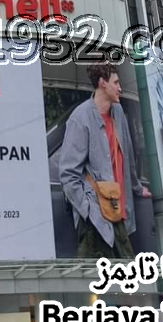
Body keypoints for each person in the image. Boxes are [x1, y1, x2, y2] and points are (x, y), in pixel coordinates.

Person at [59, 61, 144, 259]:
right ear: (102, 83)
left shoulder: (119, 113)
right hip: (95, 218)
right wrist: (87, 211)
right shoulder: (80, 118)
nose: (120, 88)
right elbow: (67, 173)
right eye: (116, 82)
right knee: (95, 282)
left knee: (128, 281)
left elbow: (128, 156)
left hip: (119, 213)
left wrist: (138, 188)